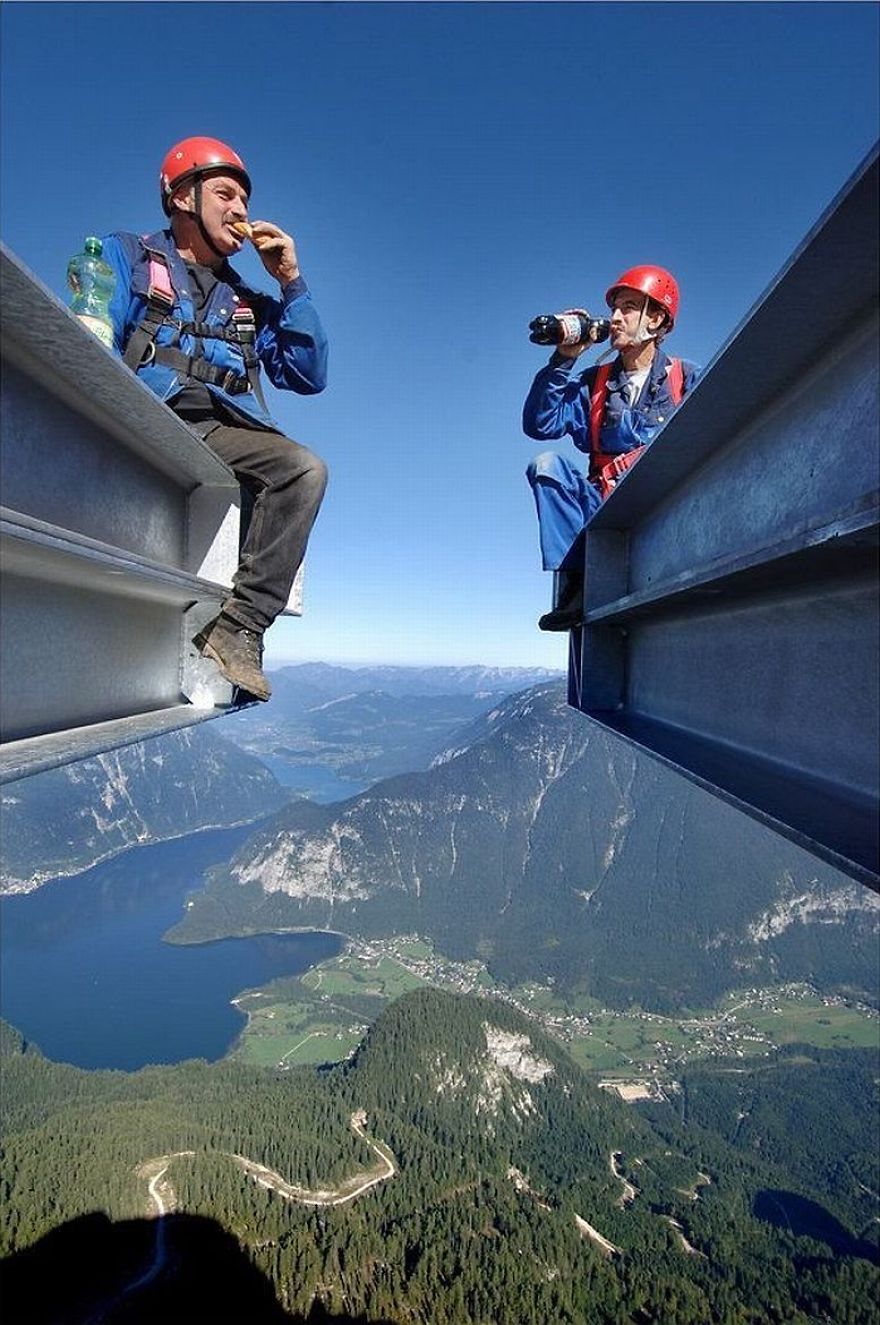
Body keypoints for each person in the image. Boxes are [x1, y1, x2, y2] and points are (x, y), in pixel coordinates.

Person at [101, 135, 329, 701]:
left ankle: (240, 628)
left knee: (303, 470)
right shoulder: (128, 257)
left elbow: (308, 374)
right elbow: (92, 340)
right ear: (181, 198)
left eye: (244, 200)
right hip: (145, 419)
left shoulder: (250, 302)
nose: (241, 211)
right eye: (224, 193)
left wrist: (290, 283)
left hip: (215, 434)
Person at [523, 265, 699, 631]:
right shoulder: (595, 385)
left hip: (662, 509)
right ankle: (577, 583)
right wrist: (564, 359)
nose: (615, 318)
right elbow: (540, 424)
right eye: (615, 307)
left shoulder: (686, 379)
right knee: (546, 465)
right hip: (602, 511)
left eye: (629, 307)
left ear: (657, 319)